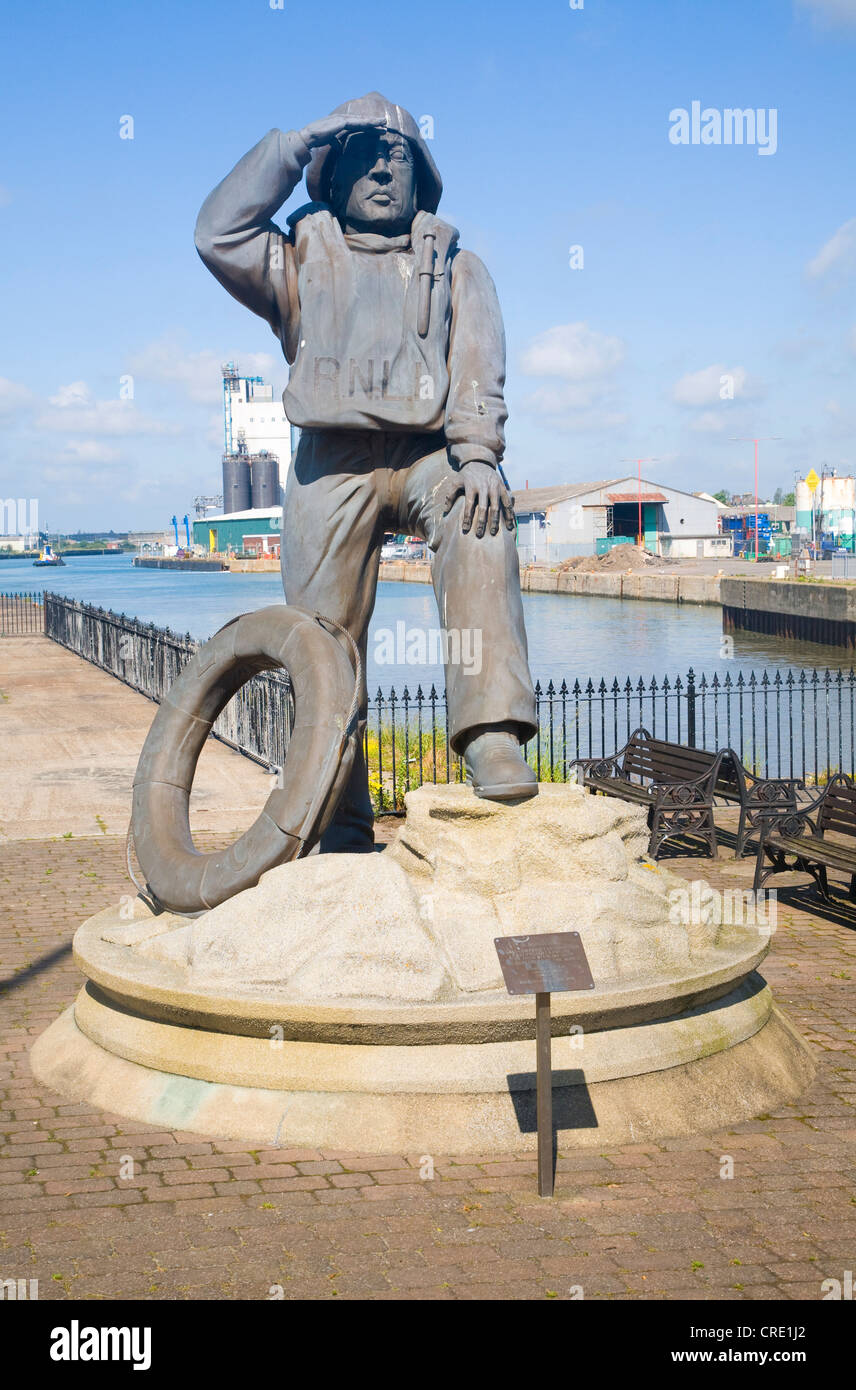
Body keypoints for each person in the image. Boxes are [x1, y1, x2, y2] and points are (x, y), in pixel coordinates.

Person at [195, 92, 538, 852]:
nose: (385, 169)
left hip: (428, 457)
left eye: (401, 157)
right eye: (364, 156)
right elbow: (217, 232)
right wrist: (295, 141)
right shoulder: (296, 260)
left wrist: (478, 453)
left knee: (480, 516)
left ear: (423, 177)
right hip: (331, 463)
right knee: (322, 638)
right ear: (329, 173)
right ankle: (336, 805)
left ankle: (491, 732)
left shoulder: (455, 265)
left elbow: (478, 364)